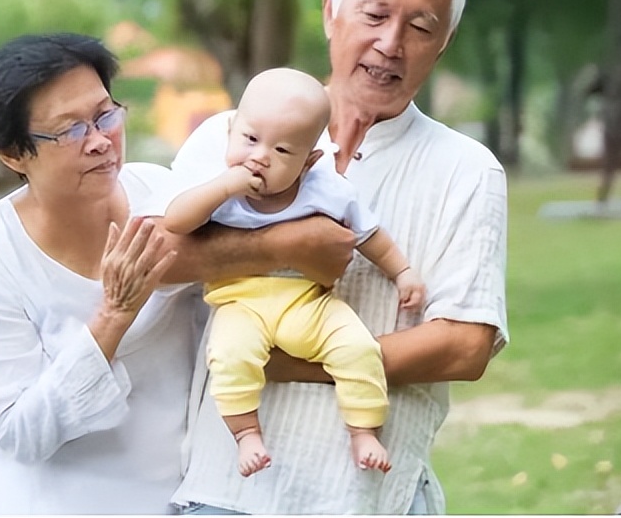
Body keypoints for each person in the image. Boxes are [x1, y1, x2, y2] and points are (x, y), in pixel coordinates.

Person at [170, 0, 509, 515]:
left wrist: (298, 362)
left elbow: (466, 345)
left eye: (421, 26)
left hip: (369, 499)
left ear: (445, 41)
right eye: (374, 15)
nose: (391, 44)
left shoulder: (466, 169)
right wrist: (281, 247)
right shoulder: (228, 137)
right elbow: (156, 257)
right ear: (331, 9)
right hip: (223, 495)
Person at [0, 33, 355, 514]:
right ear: (13, 154)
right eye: (70, 130)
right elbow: (17, 434)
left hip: (176, 501)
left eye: (105, 115)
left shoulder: (164, 196)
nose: (99, 142)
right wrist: (113, 316)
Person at [164, 67, 426, 478]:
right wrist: (225, 187)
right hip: (239, 302)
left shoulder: (325, 188)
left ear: (310, 161)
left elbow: (369, 234)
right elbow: (176, 221)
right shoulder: (219, 186)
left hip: (309, 303)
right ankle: (246, 432)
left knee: (358, 348)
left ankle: (363, 430)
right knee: (230, 355)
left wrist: (403, 272)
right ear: (232, 131)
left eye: (283, 151)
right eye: (250, 139)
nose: (259, 156)